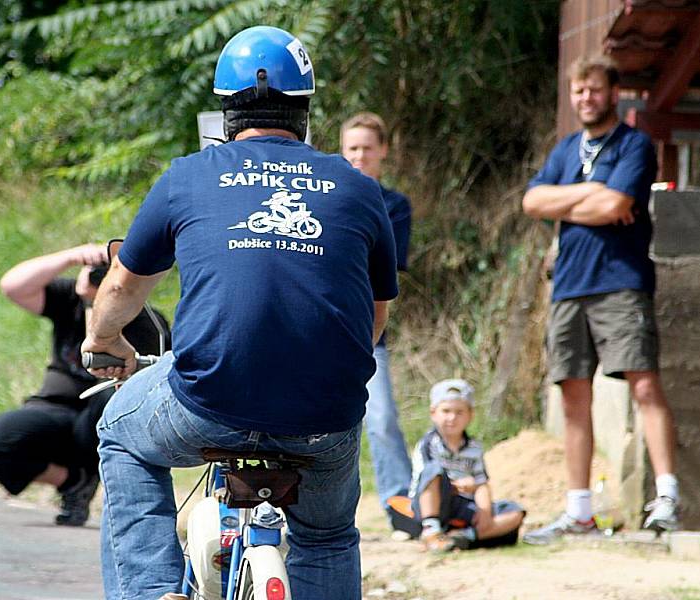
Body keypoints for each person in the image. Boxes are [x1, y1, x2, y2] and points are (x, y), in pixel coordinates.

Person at [80, 26, 398, 600]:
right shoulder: (358, 189)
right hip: (325, 417)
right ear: (304, 109)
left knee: (120, 435)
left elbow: (124, 284)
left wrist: (104, 341)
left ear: (225, 111)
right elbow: (374, 320)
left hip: (209, 401)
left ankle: (150, 591)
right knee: (325, 537)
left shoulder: (189, 177)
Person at [521, 55, 680, 544]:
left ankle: (668, 499)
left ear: (613, 93)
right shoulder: (567, 149)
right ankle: (579, 511)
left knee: (645, 385)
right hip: (569, 284)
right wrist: (590, 192)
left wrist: (569, 202)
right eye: (578, 92)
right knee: (573, 397)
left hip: (621, 281)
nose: (585, 99)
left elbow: (618, 204)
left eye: (593, 90)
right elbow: (531, 202)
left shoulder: (634, 144)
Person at [0, 243, 170, 526]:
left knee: (111, 399)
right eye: (95, 271)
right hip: (55, 410)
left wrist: (103, 303)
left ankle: (120, 497)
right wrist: (73, 257)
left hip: (100, 417)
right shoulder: (68, 300)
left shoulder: (146, 321)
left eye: (107, 273)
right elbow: (12, 286)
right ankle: (74, 483)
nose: (97, 277)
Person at [340, 112, 413, 532]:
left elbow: (385, 271)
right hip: (318, 330)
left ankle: (400, 506)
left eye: (367, 148)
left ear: (383, 151)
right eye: (352, 148)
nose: (360, 156)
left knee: (382, 418)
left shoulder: (394, 206)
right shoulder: (323, 195)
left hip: (369, 331)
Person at [408, 379, 525, 553]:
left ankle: (464, 536)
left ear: (470, 415)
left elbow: (481, 483)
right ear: (433, 413)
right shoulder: (428, 444)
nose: (452, 418)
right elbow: (424, 479)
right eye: (446, 411)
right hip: (433, 502)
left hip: (464, 504)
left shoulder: (474, 448)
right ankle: (431, 530)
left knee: (514, 512)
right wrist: (459, 486)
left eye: (459, 412)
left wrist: (484, 512)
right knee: (434, 471)